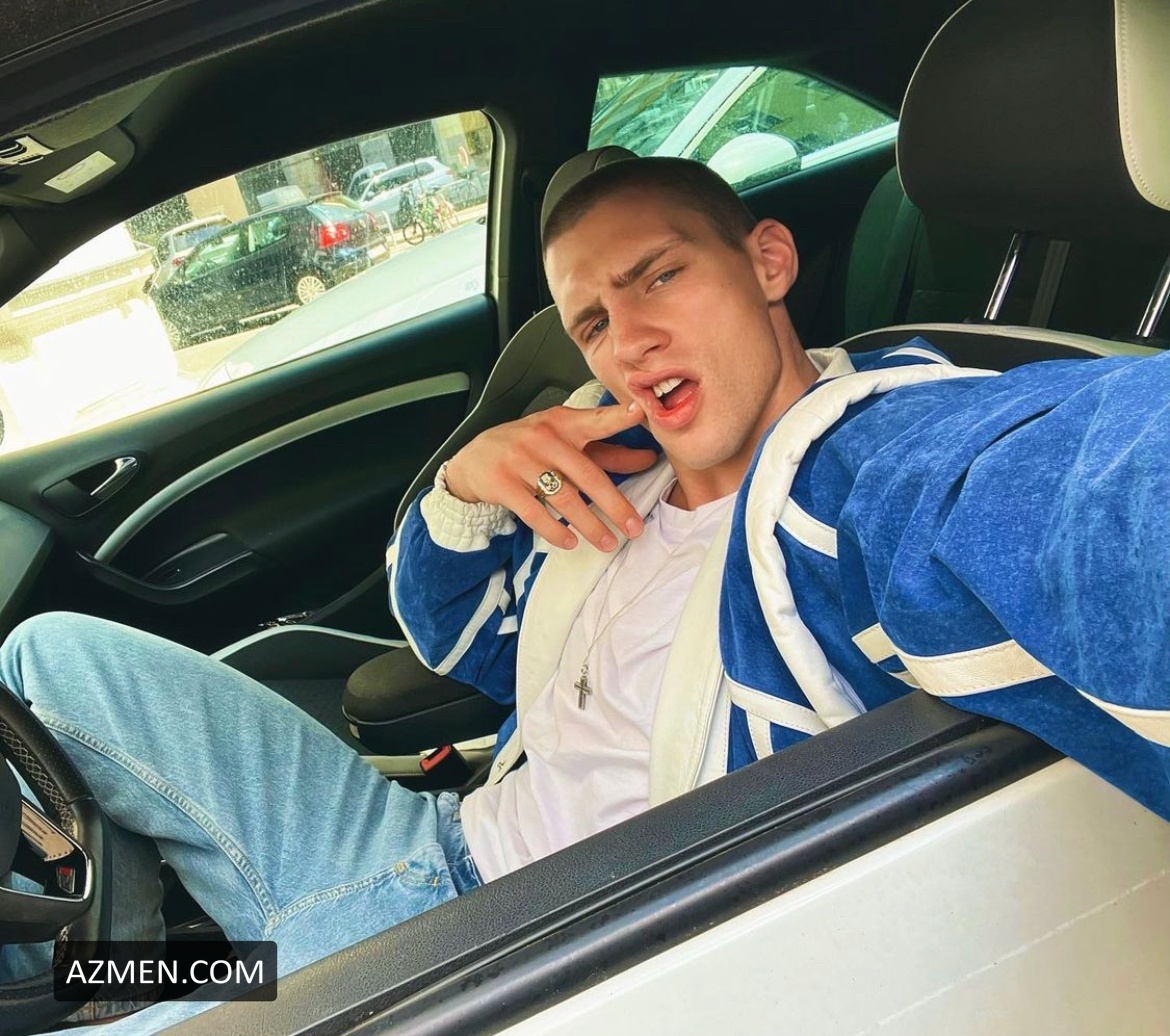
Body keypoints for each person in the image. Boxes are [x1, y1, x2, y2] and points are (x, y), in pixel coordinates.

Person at [1, 156, 1166, 1035]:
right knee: (47, 656)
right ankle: (117, 969)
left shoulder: (857, 461)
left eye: (661, 275)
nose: (630, 341)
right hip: (423, 845)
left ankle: (134, 981)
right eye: (594, 322)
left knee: (125, 1006)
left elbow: (1070, 491)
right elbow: (460, 644)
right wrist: (464, 485)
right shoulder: (621, 470)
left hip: (503, 950)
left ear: (768, 261)